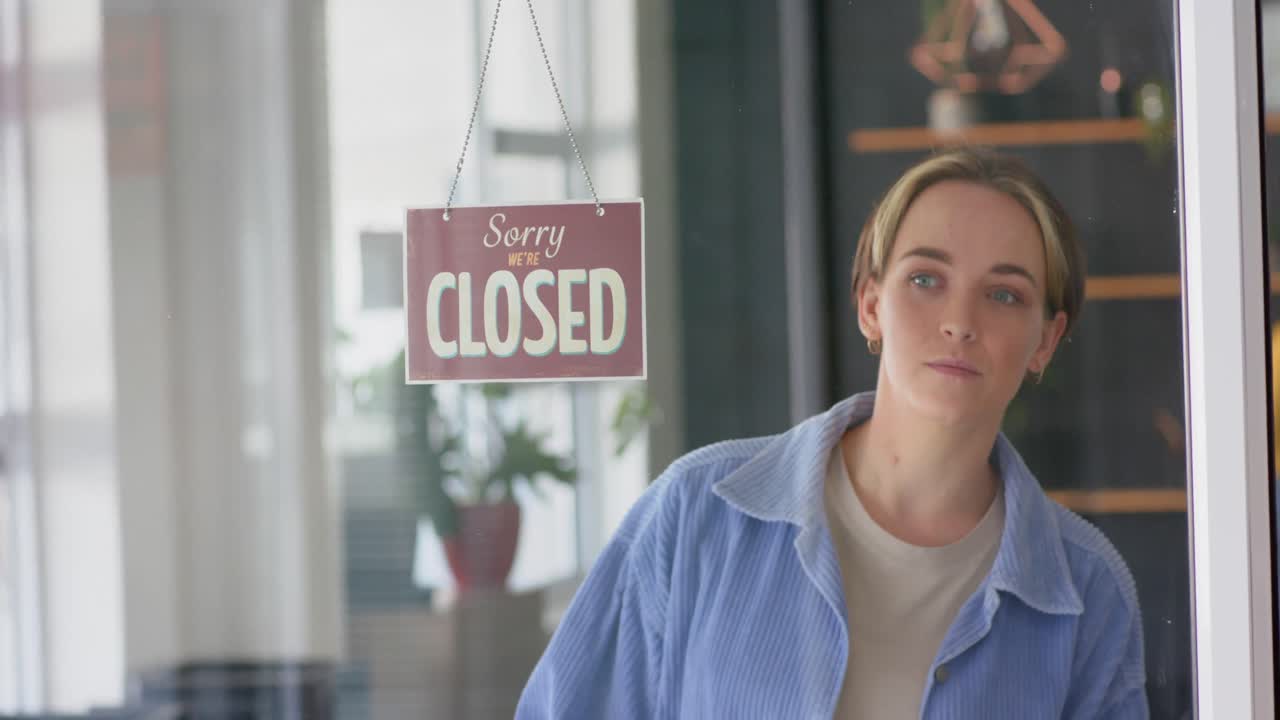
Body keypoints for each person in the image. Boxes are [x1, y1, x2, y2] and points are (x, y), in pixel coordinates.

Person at [516, 148, 1147, 718]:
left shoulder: (1088, 595)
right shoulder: (693, 517)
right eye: (925, 279)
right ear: (871, 305)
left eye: (1004, 295)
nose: (959, 321)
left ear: (1046, 340)